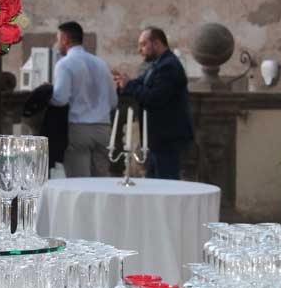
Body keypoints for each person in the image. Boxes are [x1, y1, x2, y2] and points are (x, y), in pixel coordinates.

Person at [113, 27, 193, 180]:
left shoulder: (168, 66)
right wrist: (124, 83)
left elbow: (154, 97)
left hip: (167, 140)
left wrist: (129, 85)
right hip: (157, 141)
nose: (139, 49)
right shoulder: (157, 65)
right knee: (153, 185)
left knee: (165, 186)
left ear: (156, 43)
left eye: (143, 44)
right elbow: (139, 83)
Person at [50, 21, 117, 177]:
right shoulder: (101, 64)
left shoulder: (65, 64)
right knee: (101, 181)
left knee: (79, 181)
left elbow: (60, 99)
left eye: (58, 38)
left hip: (79, 128)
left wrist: (46, 93)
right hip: (103, 128)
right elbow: (113, 101)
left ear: (65, 39)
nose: (57, 43)